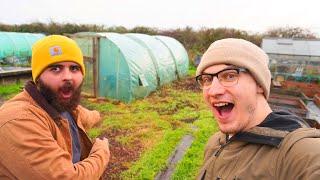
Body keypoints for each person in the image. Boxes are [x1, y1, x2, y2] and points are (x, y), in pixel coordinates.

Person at [195, 38, 320, 180]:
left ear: (259, 84)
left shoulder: (297, 152)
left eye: (229, 76)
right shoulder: (215, 142)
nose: (213, 91)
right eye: (207, 79)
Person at [0, 35, 110, 179]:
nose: (68, 77)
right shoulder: (18, 120)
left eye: (74, 68)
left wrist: (99, 114)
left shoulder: (61, 104)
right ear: (38, 77)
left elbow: (84, 115)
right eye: (56, 68)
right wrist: (101, 153)